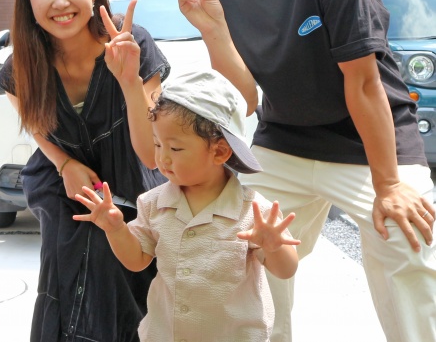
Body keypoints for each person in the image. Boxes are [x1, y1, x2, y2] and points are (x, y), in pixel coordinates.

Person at [160, 0, 436, 341]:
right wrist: (213, 29)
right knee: (240, 244)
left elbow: (364, 84)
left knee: (405, 238)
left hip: (369, 140)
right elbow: (245, 98)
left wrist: (389, 186)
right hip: (285, 140)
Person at [0, 0, 170, 341]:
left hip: (131, 181)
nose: (60, 2)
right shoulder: (19, 67)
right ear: (27, 0)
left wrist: (129, 81)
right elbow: (36, 124)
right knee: (66, 289)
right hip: (66, 188)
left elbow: (152, 155)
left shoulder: (133, 43)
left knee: (127, 288)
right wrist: (64, 163)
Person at [75, 69, 300, 341]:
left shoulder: (252, 211)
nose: (163, 159)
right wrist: (116, 229)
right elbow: (136, 260)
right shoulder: (153, 203)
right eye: (158, 144)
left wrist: (274, 247)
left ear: (219, 151)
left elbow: (286, 270)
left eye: (175, 149)